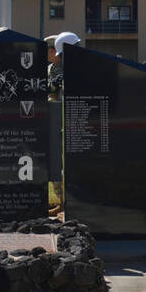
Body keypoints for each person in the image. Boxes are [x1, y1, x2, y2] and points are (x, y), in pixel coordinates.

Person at [46, 32, 79, 216]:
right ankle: (62, 201)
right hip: (55, 119)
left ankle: (71, 202)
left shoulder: (72, 68)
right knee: (55, 163)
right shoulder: (51, 69)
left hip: (71, 120)